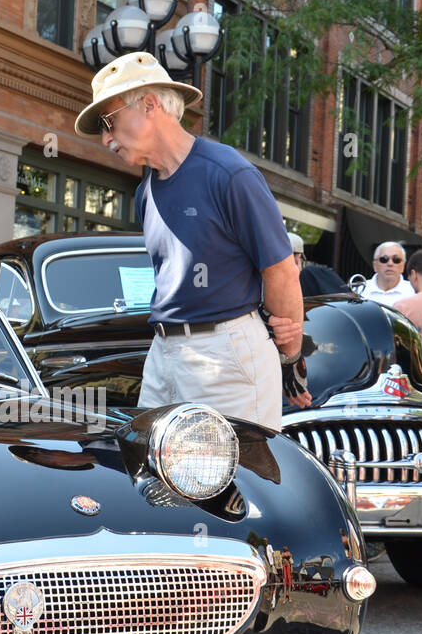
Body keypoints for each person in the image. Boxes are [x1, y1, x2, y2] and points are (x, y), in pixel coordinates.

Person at [75, 51, 309, 429]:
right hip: (164, 352)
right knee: (153, 478)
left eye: (109, 122)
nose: (106, 139)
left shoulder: (229, 173)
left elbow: (281, 272)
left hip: (225, 354)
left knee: (232, 482)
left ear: (150, 104)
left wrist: (290, 358)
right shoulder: (146, 190)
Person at [358, 241, 415, 307]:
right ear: (375, 265)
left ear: (403, 266)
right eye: (384, 259)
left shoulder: (413, 292)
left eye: (396, 260)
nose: (390, 264)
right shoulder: (359, 290)